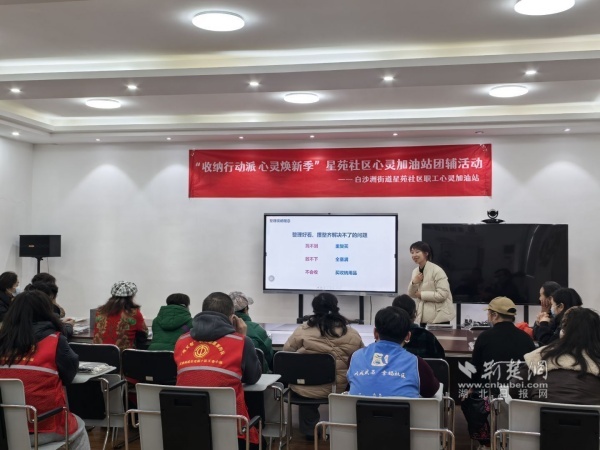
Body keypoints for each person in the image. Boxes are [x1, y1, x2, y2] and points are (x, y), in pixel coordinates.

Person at [0, 291, 90, 449]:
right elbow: (69, 375)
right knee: (80, 427)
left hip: (5, 431)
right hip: (43, 427)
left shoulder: (2, 341)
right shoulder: (54, 341)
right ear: (46, 312)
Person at [174, 292, 262, 450]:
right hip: (233, 432)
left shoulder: (181, 341)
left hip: (188, 430)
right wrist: (241, 336)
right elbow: (252, 377)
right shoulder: (241, 342)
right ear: (232, 318)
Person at [283, 292, 364, 440]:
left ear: (314, 309)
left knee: (306, 383)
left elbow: (286, 353)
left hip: (305, 388)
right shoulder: (351, 333)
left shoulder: (302, 331)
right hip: (338, 387)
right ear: (336, 307)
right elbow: (360, 357)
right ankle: (341, 428)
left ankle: (310, 431)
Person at [465, 296, 536, 449]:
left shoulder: (484, 337)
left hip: (490, 395)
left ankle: (486, 442)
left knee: (467, 400)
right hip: (519, 395)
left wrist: (470, 388)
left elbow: (475, 368)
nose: (488, 316)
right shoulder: (526, 338)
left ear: (495, 315)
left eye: (489, 313)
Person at [348, 306, 440, 397]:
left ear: (375, 333)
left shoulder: (354, 358)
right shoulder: (417, 364)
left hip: (359, 407)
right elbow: (431, 392)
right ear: (408, 336)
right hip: (403, 408)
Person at [518, 307, 600, 403]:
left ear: (563, 332)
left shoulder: (539, 356)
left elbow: (515, 390)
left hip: (538, 412)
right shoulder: (596, 360)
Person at [407, 241, 455, 325]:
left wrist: (422, 294)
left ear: (426, 253)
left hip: (439, 317)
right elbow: (411, 294)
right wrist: (414, 282)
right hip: (423, 316)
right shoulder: (415, 271)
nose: (414, 255)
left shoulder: (437, 270)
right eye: (412, 252)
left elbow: (443, 295)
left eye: (417, 252)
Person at [93, 281, 148, 351]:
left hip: (98, 355)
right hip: (122, 356)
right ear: (132, 296)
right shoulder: (134, 313)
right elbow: (144, 333)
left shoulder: (100, 311)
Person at [229, 290, 274, 372]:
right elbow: (269, 356)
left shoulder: (222, 329)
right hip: (259, 375)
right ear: (246, 309)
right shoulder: (257, 329)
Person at [392, 294, 445, 359]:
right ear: (414, 314)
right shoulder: (428, 337)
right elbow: (441, 361)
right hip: (420, 366)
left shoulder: (386, 336)